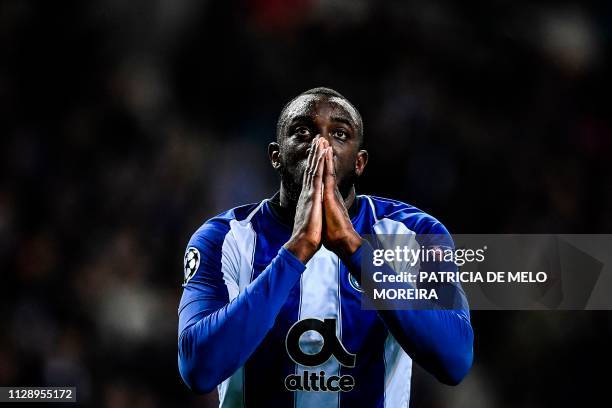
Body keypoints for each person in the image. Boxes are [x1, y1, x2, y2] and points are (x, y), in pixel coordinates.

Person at [177, 87, 473, 407]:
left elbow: (454, 360)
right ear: (276, 156)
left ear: (359, 163)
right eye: (303, 131)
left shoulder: (414, 233)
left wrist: (353, 248)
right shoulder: (224, 238)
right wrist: (297, 250)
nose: (321, 145)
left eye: (339, 134)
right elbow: (198, 369)